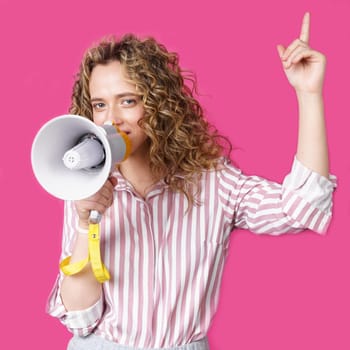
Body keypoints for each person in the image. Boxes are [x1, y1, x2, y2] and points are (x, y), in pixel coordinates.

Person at [47, 12, 336, 350]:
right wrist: (86, 225)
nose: (112, 120)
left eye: (128, 101)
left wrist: (309, 93)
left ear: (159, 104)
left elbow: (303, 207)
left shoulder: (215, 183)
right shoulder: (84, 188)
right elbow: (80, 318)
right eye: (99, 104)